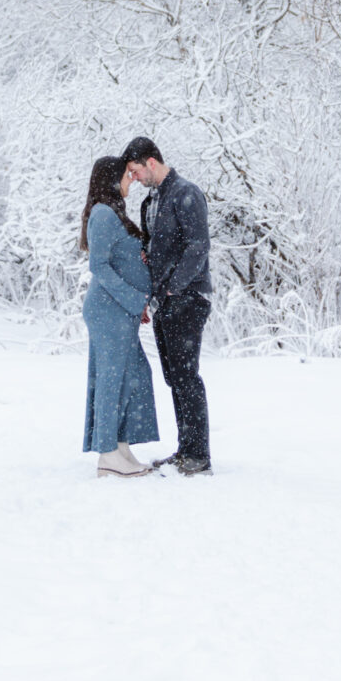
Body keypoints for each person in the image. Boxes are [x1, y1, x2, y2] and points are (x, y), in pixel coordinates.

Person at [122, 135, 211, 474]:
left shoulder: (186, 193)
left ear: (151, 163)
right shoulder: (150, 204)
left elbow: (198, 247)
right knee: (174, 377)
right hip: (164, 302)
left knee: (187, 377)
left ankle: (199, 456)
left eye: (136, 171)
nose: (135, 178)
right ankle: (186, 449)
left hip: (188, 298)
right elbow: (155, 252)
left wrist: (173, 288)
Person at [78, 154, 159, 478]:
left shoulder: (115, 214)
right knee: (113, 380)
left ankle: (121, 445)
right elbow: (98, 266)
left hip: (121, 310)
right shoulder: (101, 213)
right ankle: (107, 454)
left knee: (133, 376)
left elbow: (121, 257)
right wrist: (134, 298)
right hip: (108, 310)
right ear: (111, 179)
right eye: (127, 175)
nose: (132, 180)